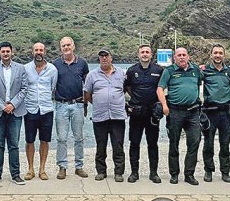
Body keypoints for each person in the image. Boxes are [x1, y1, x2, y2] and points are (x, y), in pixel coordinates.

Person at [156, 47, 203, 185]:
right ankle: (174, 174)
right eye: (179, 55)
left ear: (188, 57)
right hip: (175, 111)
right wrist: (164, 105)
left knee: (194, 142)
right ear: (174, 58)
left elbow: (199, 84)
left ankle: (189, 174)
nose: (182, 57)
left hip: (193, 112)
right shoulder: (169, 71)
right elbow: (160, 89)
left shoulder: (195, 70)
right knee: (174, 143)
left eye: (184, 55)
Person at [0, 42, 29, 185]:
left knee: (14, 144)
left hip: (15, 111)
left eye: (8, 51)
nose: (5, 53)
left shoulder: (21, 68)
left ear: (12, 52)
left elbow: (24, 89)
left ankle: (15, 174)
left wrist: (12, 105)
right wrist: (2, 106)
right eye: (3, 51)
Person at [84, 48, 127, 182]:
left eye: (106, 56)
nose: (104, 58)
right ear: (99, 59)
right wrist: (98, 102)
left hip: (118, 116)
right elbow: (87, 94)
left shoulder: (122, 73)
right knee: (100, 145)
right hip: (100, 116)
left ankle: (119, 172)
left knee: (118, 145)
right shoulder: (92, 75)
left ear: (111, 58)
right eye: (101, 56)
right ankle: (101, 171)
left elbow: (127, 89)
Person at [124, 44, 164, 183]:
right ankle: (134, 173)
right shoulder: (131, 70)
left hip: (153, 113)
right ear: (138, 54)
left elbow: (162, 88)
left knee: (152, 143)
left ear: (151, 54)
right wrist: (135, 99)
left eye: (147, 52)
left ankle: (154, 173)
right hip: (136, 112)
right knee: (134, 143)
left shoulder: (159, 70)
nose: (145, 54)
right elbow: (127, 87)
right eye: (142, 52)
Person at [52, 36, 89, 179]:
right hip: (61, 105)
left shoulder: (83, 63)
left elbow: (87, 84)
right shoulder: (55, 64)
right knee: (61, 138)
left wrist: (86, 103)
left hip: (78, 105)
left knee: (79, 137)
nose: (66, 48)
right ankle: (62, 166)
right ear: (60, 48)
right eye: (63, 46)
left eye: (68, 45)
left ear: (73, 46)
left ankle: (79, 166)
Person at [200, 44, 230, 183]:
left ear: (224, 55)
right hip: (210, 112)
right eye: (215, 53)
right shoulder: (205, 72)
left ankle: (225, 172)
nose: (218, 55)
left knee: (225, 144)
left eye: (220, 53)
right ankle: (208, 170)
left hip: (226, 112)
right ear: (211, 55)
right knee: (208, 144)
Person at [23, 42, 57, 181]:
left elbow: (53, 88)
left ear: (45, 52)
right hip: (30, 109)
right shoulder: (25, 69)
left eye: (41, 50)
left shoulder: (52, 70)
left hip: (46, 109)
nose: (38, 52)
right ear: (32, 52)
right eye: (36, 50)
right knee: (29, 140)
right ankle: (30, 169)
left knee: (44, 140)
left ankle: (42, 169)